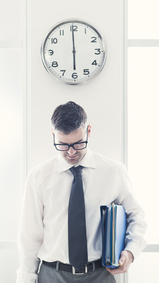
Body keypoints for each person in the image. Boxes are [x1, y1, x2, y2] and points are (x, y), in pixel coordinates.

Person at [17, 101, 147, 283]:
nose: (71, 152)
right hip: (52, 274)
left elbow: (137, 216)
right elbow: (29, 237)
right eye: (62, 144)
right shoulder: (38, 177)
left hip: (100, 274)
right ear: (53, 134)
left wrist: (131, 251)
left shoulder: (114, 172)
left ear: (89, 131)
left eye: (78, 144)